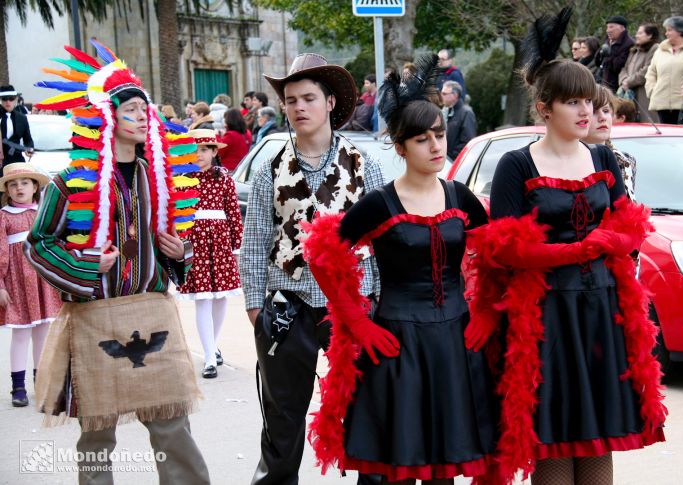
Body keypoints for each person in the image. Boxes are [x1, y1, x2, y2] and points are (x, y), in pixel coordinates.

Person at [478, 8, 666, 484]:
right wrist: (584, 249)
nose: (587, 111)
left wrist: (608, 242)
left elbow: (631, 225)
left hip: (603, 308)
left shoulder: (603, 156)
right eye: (573, 103)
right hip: (545, 315)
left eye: (590, 101)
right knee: (555, 440)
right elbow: (504, 249)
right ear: (545, 108)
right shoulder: (515, 165)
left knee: (599, 439)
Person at [304, 54, 500, 485]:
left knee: (444, 466)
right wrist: (356, 320)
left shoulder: (460, 197)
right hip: (396, 343)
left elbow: (496, 257)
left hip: (454, 340)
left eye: (439, 135)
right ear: (400, 147)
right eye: (421, 139)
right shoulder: (379, 202)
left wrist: (485, 311)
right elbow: (322, 254)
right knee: (396, 466)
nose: (435, 146)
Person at [26, 40, 210, 484]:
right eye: (130, 110)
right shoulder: (70, 183)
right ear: (106, 117)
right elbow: (38, 243)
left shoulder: (161, 179)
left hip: (152, 308)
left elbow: (179, 243)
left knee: (172, 427)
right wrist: (87, 265)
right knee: (97, 434)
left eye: (144, 111)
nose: (142, 117)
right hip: (95, 316)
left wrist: (178, 252)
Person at [241, 52, 385, 485]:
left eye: (307, 98)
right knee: (282, 424)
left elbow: (380, 241)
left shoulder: (364, 165)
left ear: (329, 104)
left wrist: (376, 300)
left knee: (367, 414)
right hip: (287, 304)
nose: (298, 107)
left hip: (352, 308)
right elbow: (254, 244)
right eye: (290, 100)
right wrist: (255, 308)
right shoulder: (270, 168)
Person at [178, 129, 243, 378]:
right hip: (196, 242)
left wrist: (236, 247)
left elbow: (234, 215)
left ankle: (213, 345)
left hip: (220, 241)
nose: (199, 155)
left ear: (215, 152)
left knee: (220, 296)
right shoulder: (184, 178)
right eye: (194, 150)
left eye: (204, 149)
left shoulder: (224, 179)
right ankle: (208, 357)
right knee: (202, 297)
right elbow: (179, 216)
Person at [0, 164, 61, 407]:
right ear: (7, 190)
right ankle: (18, 386)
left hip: (42, 280)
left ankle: (42, 383)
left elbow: (53, 243)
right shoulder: (3, 216)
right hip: (17, 283)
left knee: (43, 334)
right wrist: (0, 285)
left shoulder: (43, 212)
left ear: (35, 187)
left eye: (25, 183)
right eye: (13, 184)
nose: (19, 188)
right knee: (21, 334)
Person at [584, 86, 638, 201]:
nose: (602, 117)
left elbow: (627, 208)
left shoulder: (625, 160)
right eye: (593, 112)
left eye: (606, 111)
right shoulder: (567, 159)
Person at [645, 17, 683, 124]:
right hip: (662, 103)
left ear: (680, 31)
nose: (666, 33)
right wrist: (652, 91)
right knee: (665, 137)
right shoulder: (660, 50)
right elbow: (651, 73)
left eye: (669, 30)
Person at [618, 24, 660, 122]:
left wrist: (629, 82)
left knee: (646, 122)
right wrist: (623, 80)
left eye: (640, 33)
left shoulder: (655, 48)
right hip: (629, 94)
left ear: (650, 35)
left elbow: (648, 69)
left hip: (643, 95)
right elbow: (624, 68)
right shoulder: (634, 50)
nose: (636, 35)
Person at [441, 80, 476, 160]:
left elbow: (467, 142)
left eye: (444, 93)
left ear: (455, 95)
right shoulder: (445, 112)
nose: (441, 95)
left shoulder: (467, 113)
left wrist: (450, 157)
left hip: (455, 163)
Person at [1, 85, 34, 168]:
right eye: (4, 99)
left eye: (11, 98)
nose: (8, 102)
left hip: (16, 160)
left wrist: (29, 148)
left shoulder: (22, 118)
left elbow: (28, 139)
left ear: (16, 99)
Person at [601, 16, 635, 91]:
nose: (608, 30)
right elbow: (598, 61)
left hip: (617, 86)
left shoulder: (629, 44)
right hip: (604, 83)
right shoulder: (608, 40)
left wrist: (610, 50)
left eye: (611, 27)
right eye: (607, 28)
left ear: (622, 28)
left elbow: (618, 67)